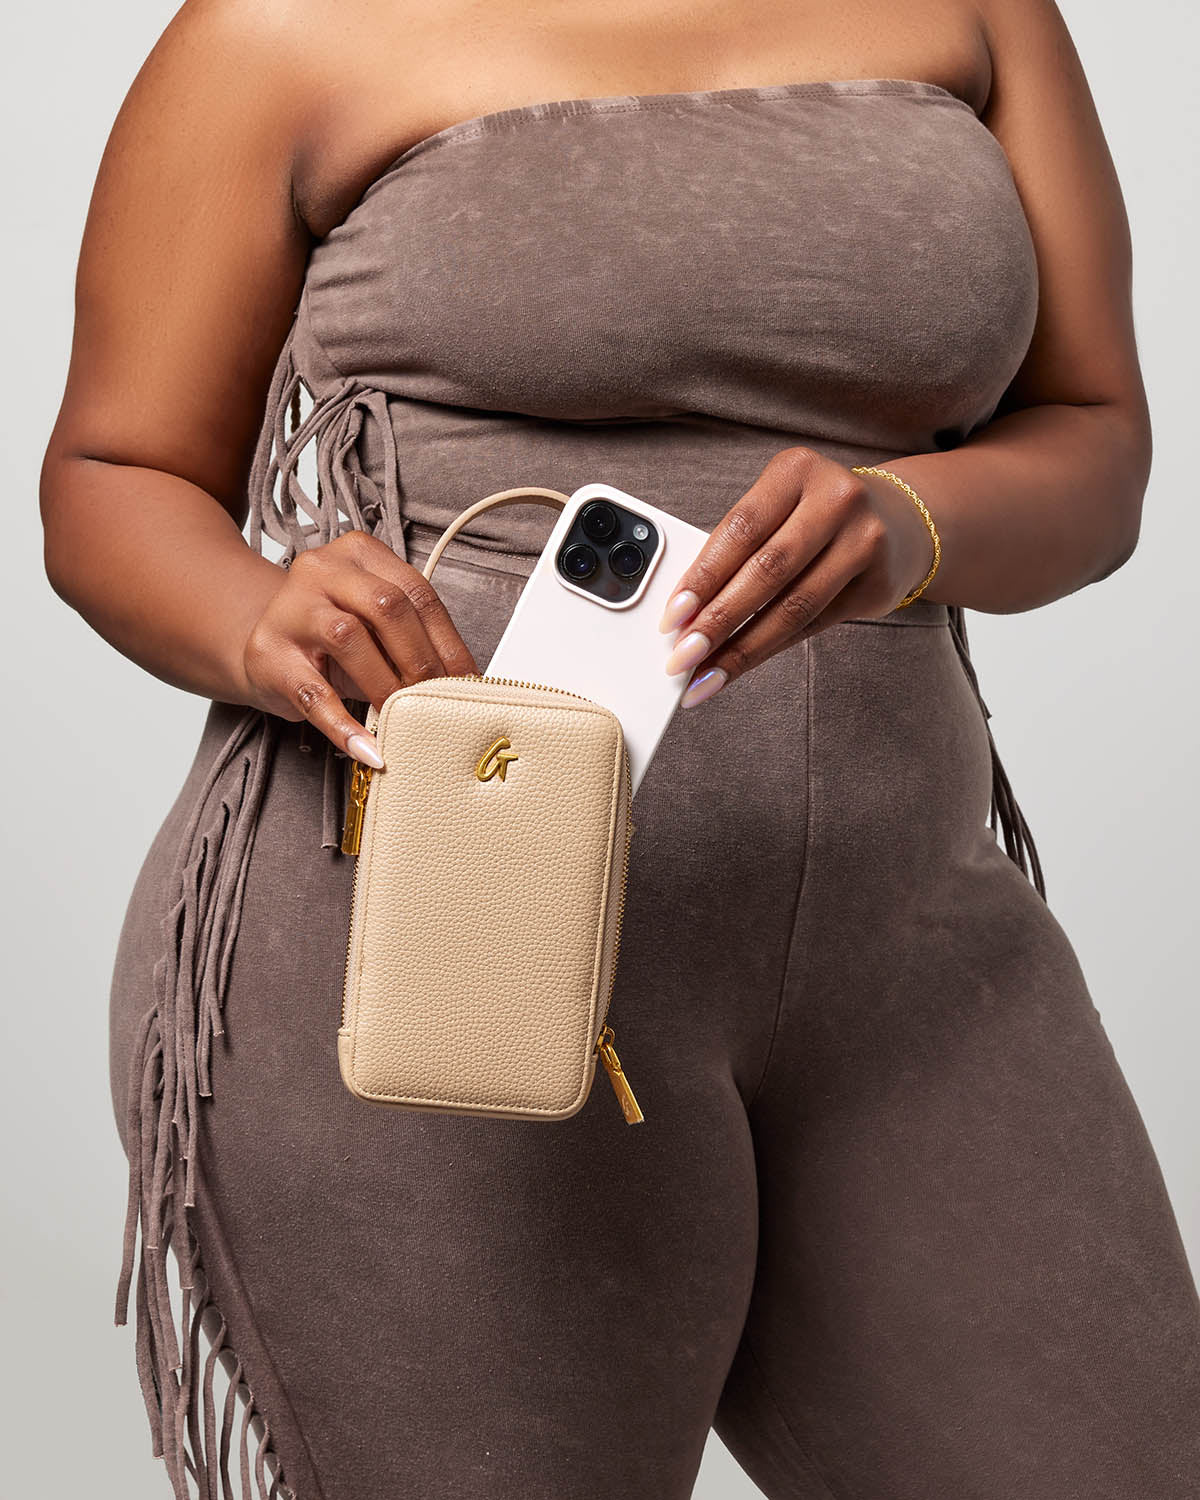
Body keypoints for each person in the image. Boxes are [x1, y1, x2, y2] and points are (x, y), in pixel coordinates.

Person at [39, 0, 1200, 1496]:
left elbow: (1097, 436)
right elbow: (110, 473)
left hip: (903, 945)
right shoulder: (279, 26)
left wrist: (913, 521)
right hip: (435, 951)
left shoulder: (983, 14)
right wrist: (263, 617)